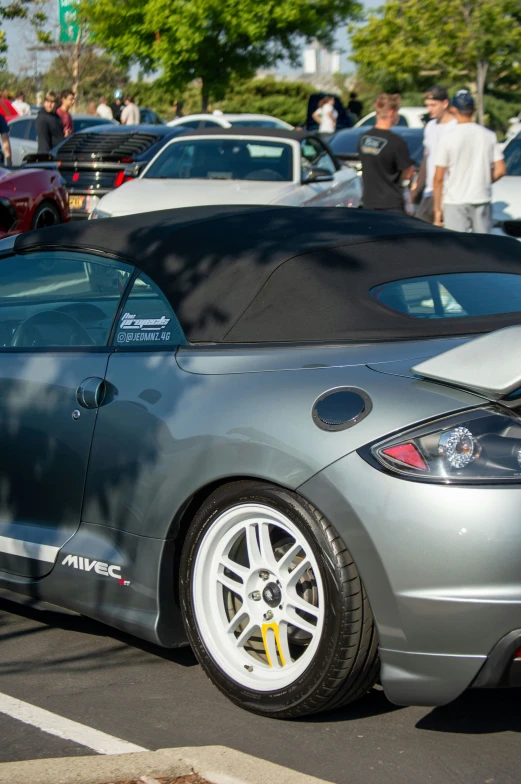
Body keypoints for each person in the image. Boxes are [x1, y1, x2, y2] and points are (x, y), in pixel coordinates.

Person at [433, 89, 506, 233]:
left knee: (457, 248)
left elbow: (438, 178)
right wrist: (483, 179)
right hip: (481, 197)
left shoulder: (447, 137)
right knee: (484, 247)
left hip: (455, 200)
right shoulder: (488, 135)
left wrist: (437, 210)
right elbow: (500, 170)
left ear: (453, 109)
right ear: (473, 110)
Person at [357, 93, 415, 213]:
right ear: (391, 112)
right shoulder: (396, 142)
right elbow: (408, 173)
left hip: (368, 202)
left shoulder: (364, 138)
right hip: (391, 204)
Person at [410, 85, 457, 223]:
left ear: (445, 103)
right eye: (427, 105)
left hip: (448, 194)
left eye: (433, 105)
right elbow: (427, 159)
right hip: (430, 192)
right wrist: (416, 188)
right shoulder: (430, 127)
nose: (429, 109)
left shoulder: (456, 127)